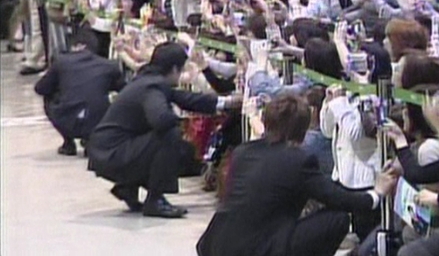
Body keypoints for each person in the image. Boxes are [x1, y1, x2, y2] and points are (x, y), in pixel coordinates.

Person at [196, 93, 399, 256]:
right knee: (337, 218)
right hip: (258, 248)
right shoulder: (298, 160)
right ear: (303, 130)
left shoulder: (243, 152)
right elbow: (340, 199)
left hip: (217, 244)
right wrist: (377, 193)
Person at [87, 42, 242, 219]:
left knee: (171, 142)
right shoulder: (153, 87)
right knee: (170, 135)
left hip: (106, 149)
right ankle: (155, 200)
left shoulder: (148, 80)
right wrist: (180, 120)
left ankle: (128, 186)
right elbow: (160, 119)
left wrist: (226, 102)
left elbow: (185, 98)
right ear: (175, 69)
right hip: (113, 153)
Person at [34, 28, 125, 156]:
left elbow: (40, 88)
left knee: (48, 97)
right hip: (97, 120)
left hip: (67, 120)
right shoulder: (109, 65)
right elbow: (125, 90)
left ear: (76, 46)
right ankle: (92, 139)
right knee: (110, 98)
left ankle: (68, 142)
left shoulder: (61, 61)